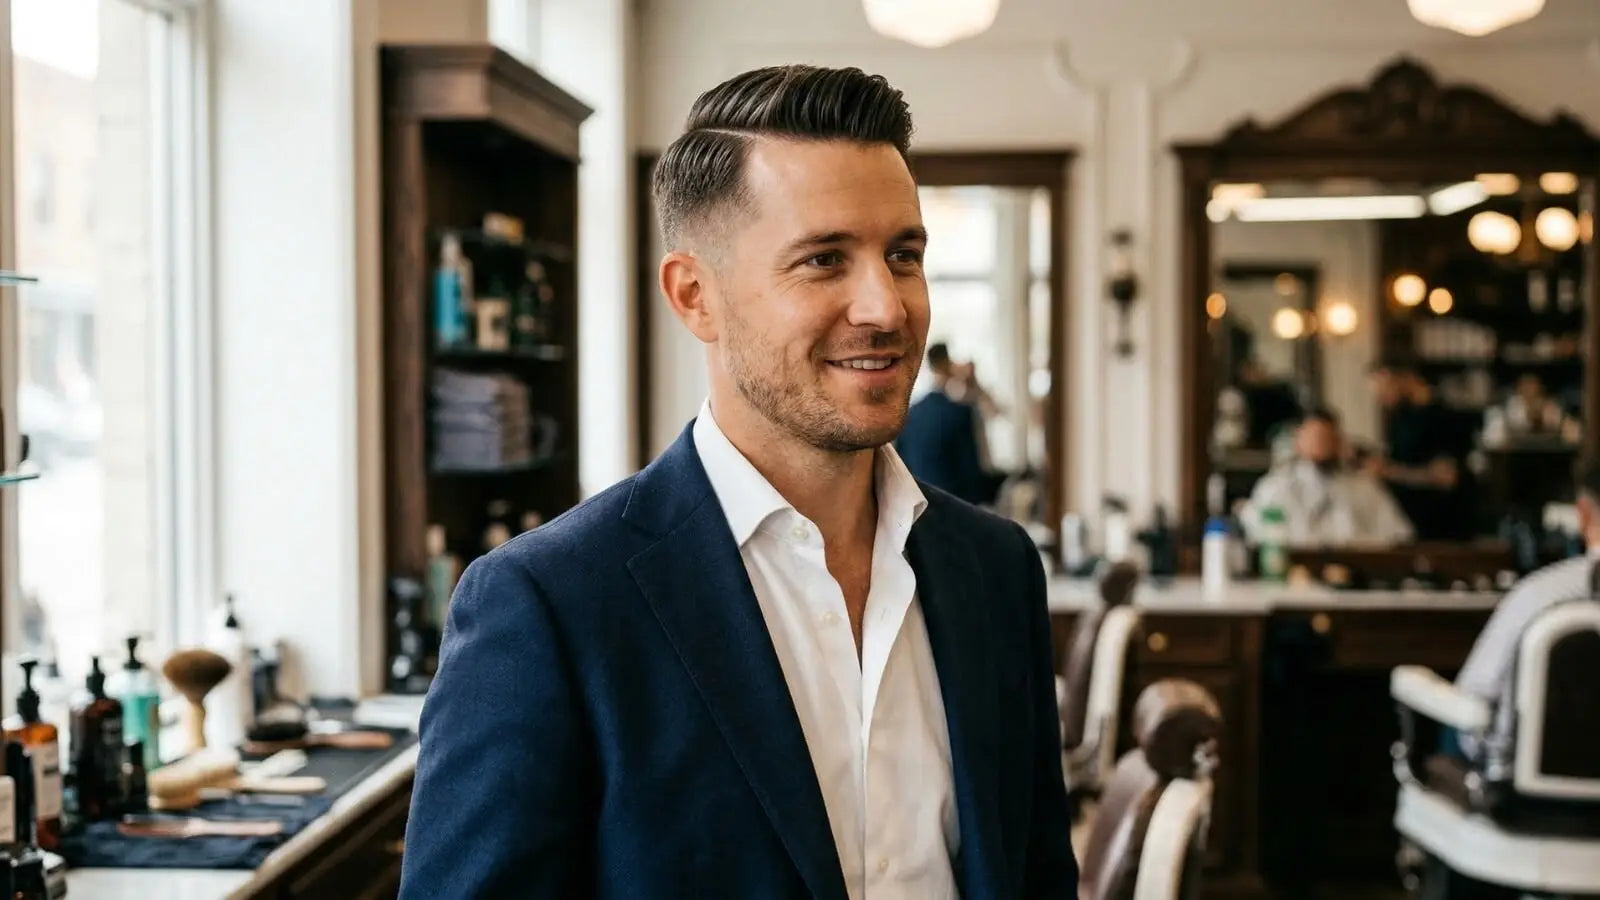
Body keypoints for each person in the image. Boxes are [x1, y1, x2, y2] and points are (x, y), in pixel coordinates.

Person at [399, 64, 1077, 899]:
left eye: (903, 254)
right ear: (695, 297)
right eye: (824, 260)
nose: (887, 308)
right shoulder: (548, 605)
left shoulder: (996, 569)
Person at [1453, 457, 1600, 761]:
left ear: (1583, 514)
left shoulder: (1542, 595)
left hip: (1532, 794)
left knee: (1456, 715)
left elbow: (1471, 703)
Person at [1239, 407, 1414, 548]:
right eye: (1315, 438)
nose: (1321, 445)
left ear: (1339, 441)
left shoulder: (1363, 487)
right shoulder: (1276, 486)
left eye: (1328, 438)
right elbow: (1259, 534)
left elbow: (1397, 535)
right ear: (1298, 441)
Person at [1367, 363, 1468, 540]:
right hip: (1406, 525)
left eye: (1384, 389)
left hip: (1440, 526)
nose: (1381, 398)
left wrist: (1390, 472)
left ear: (1405, 378)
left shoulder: (1443, 416)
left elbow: (1446, 477)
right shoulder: (1400, 416)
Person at [895, 343, 990, 504]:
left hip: (918, 507)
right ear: (948, 363)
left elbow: (902, 467)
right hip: (954, 507)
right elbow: (971, 474)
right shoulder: (959, 413)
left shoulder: (910, 414)